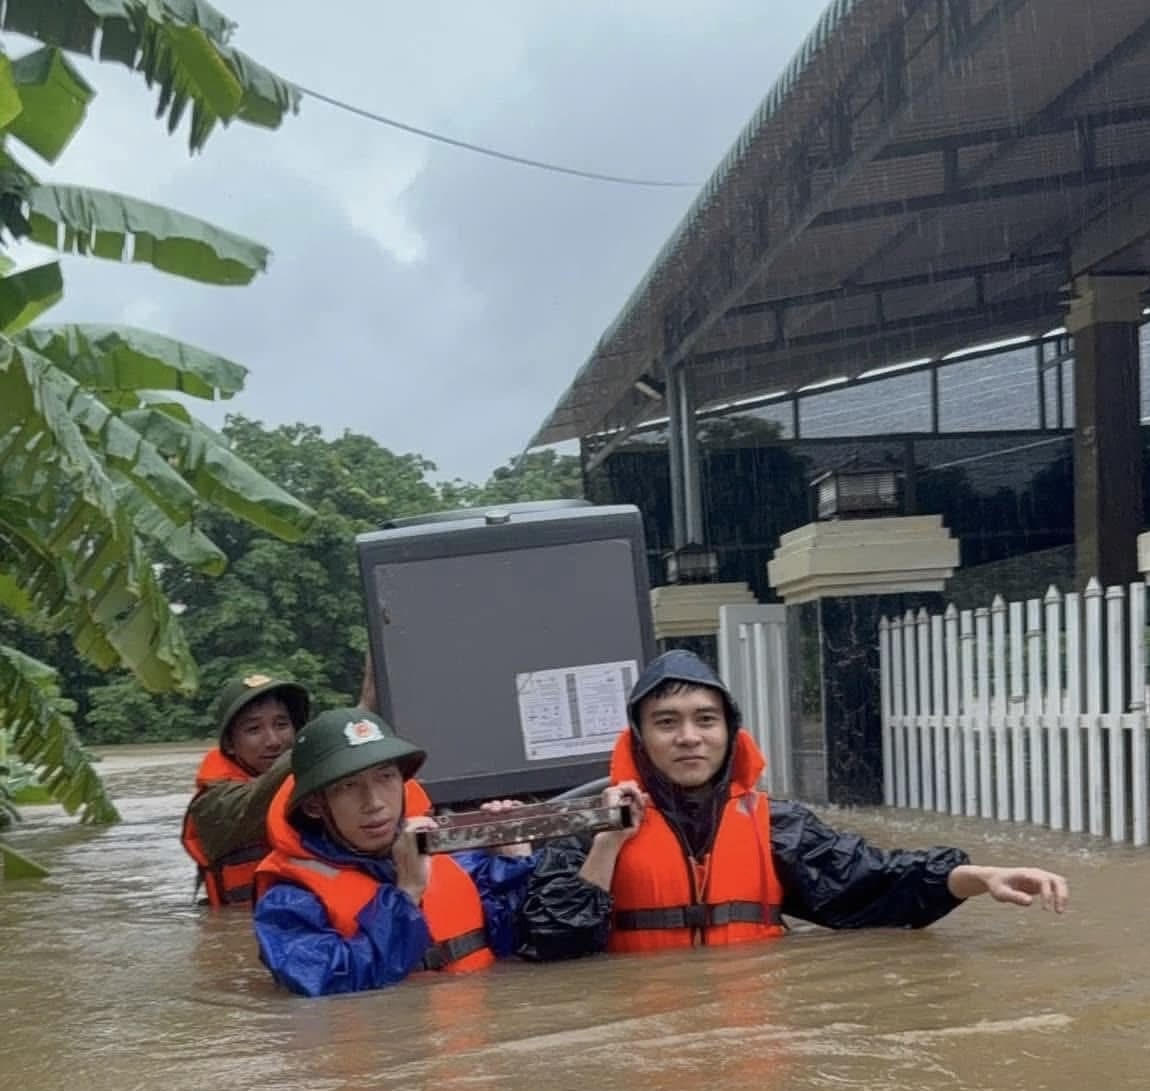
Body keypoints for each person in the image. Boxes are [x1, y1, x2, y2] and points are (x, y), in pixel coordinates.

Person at [519, 650, 1069, 960]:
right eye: (667, 723)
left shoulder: (775, 824)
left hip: (754, 1031)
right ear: (640, 739)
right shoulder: (587, 830)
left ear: (729, 734)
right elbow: (554, 942)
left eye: (705, 721)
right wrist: (610, 840)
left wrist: (980, 876)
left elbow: (874, 886)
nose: (689, 737)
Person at [253, 708, 536, 997]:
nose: (374, 802)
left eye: (385, 777)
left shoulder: (453, 859)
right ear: (315, 806)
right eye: (348, 786)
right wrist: (407, 894)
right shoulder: (288, 902)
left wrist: (515, 862)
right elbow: (327, 984)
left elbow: (520, 941)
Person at [180, 674, 311, 908]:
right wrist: (315, 744)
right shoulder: (212, 805)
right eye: (253, 729)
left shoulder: (317, 786)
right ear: (229, 744)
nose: (273, 741)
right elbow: (259, 800)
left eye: (282, 725)